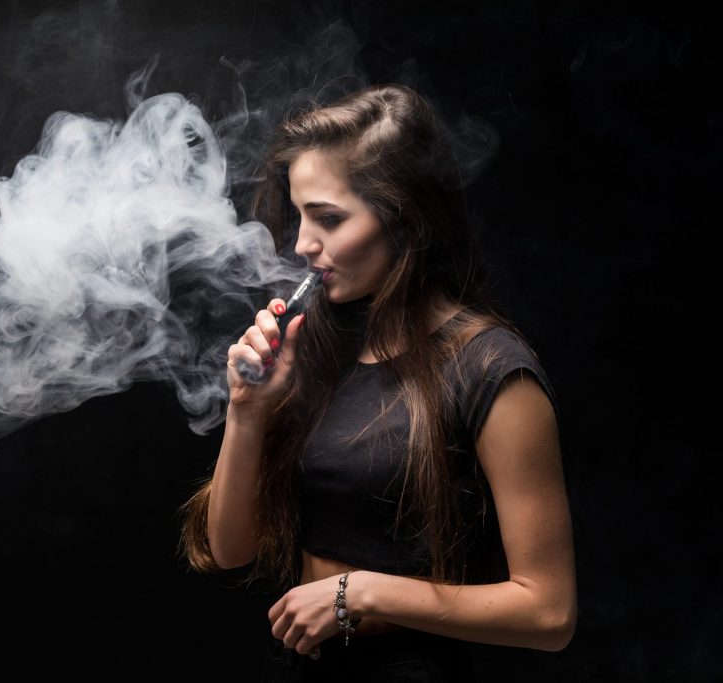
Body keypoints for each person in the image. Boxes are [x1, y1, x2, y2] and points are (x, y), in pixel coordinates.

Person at [179, 83, 576, 681]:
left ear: (404, 219)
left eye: (329, 219)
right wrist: (248, 410)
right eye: (300, 215)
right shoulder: (318, 345)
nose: (302, 244)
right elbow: (233, 549)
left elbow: (548, 613)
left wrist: (357, 594)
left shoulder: (492, 370)